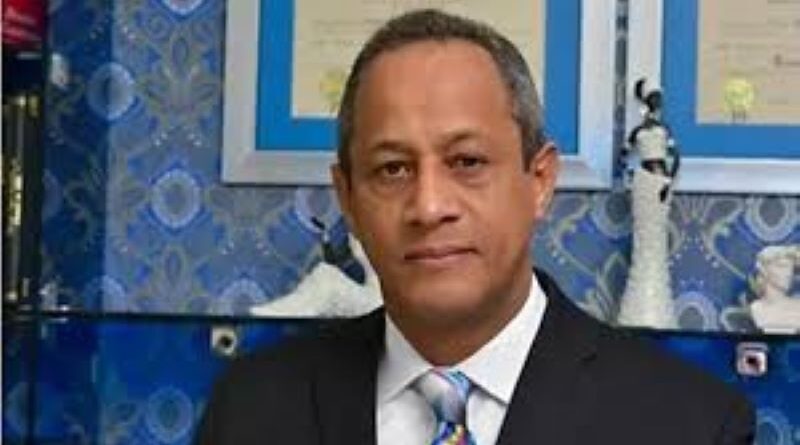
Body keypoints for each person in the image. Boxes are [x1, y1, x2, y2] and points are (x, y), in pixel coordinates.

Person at [195, 9, 754, 445]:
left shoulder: (689, 424)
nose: (429, 206)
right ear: (348, 199)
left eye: (467, 162)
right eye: (393, 169)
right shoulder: (252, 412)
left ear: (539, 181)